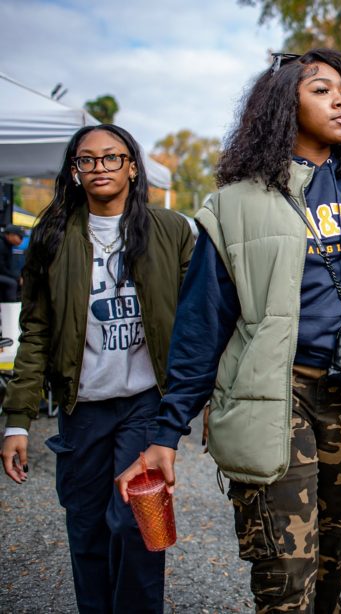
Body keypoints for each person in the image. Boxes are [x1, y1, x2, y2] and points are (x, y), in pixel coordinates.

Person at [115, 49, 341, 613]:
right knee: (284, 574)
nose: (340, 99)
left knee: (330, 567)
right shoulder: (233, 206)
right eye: (320, 89)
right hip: (274, 396)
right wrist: (165, 434)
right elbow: (202, 328)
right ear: (281, 105)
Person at [0, 124, 195, 613]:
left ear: (132, 165)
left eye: (112, 157)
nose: (100, 167)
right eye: (88, 160)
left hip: (146, 405)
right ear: (74, 171)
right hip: (81, 408)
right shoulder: (52, 238)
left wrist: (202, 400)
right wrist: (18, 420)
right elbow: (36, 332)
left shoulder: (170, 229)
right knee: (86, 528)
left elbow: (199, 324)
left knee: (136, 524)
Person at [0, 224, 24, 303]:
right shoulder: (1, 245)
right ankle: (10, 307)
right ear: (11, 235)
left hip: (3, 273)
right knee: (12, 283)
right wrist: (16, 277)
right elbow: (2, 268)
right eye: (20, 237)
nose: (21, 241)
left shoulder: (8, 245)